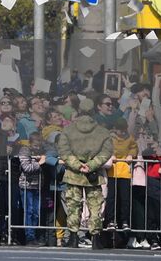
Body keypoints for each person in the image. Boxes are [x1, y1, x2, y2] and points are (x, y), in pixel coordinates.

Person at [58, 96, 113, 249]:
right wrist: (92, 164)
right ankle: (96, 238)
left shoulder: (68, 130)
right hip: (93, 174)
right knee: (95, 206)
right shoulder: (102, 131)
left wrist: (77, 165)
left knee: (73, 206)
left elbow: (63, 150)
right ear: (94, 111)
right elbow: (107, 150)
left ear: (80, 111)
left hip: (73, 173)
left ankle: (74, 238)